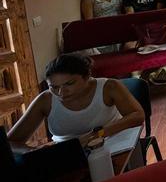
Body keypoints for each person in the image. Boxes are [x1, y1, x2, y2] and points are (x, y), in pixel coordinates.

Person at [7, 54, 144, 146]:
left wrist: (97, 135)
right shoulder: (45, 100)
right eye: (53, 87)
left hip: (113, 142)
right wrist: (35, 152)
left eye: (69, 84)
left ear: (86, 77)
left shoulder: (109, 87)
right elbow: (11, 143)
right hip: (69, 156)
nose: (61, 92)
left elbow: (137, 115)